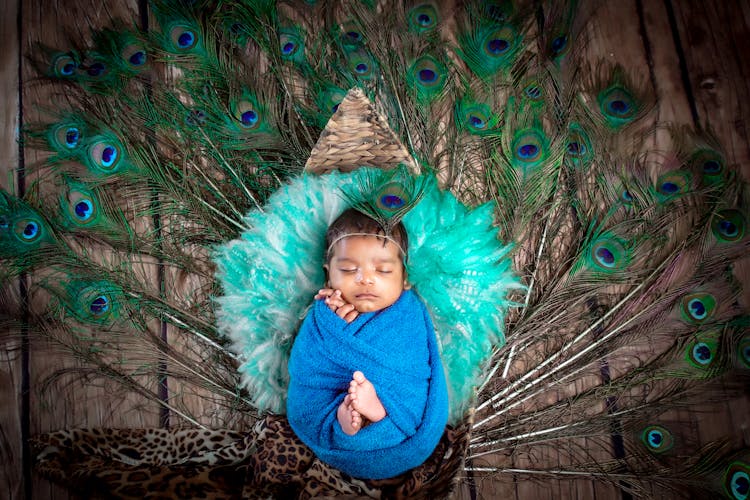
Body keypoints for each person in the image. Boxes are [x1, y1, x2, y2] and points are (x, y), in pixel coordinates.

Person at [285, 207, 449, 479]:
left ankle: (377, 412)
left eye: (383, 270)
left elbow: (415, 368)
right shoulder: (323, 316)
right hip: (329, 404)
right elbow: (307, 367)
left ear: (405, 277)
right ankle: (346, 421)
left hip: (399, 414)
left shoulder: (407, 315)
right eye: (349, 269)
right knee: (315, 411)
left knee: (408, 407)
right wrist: (333, 325)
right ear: (328, 275)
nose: (365, 279)